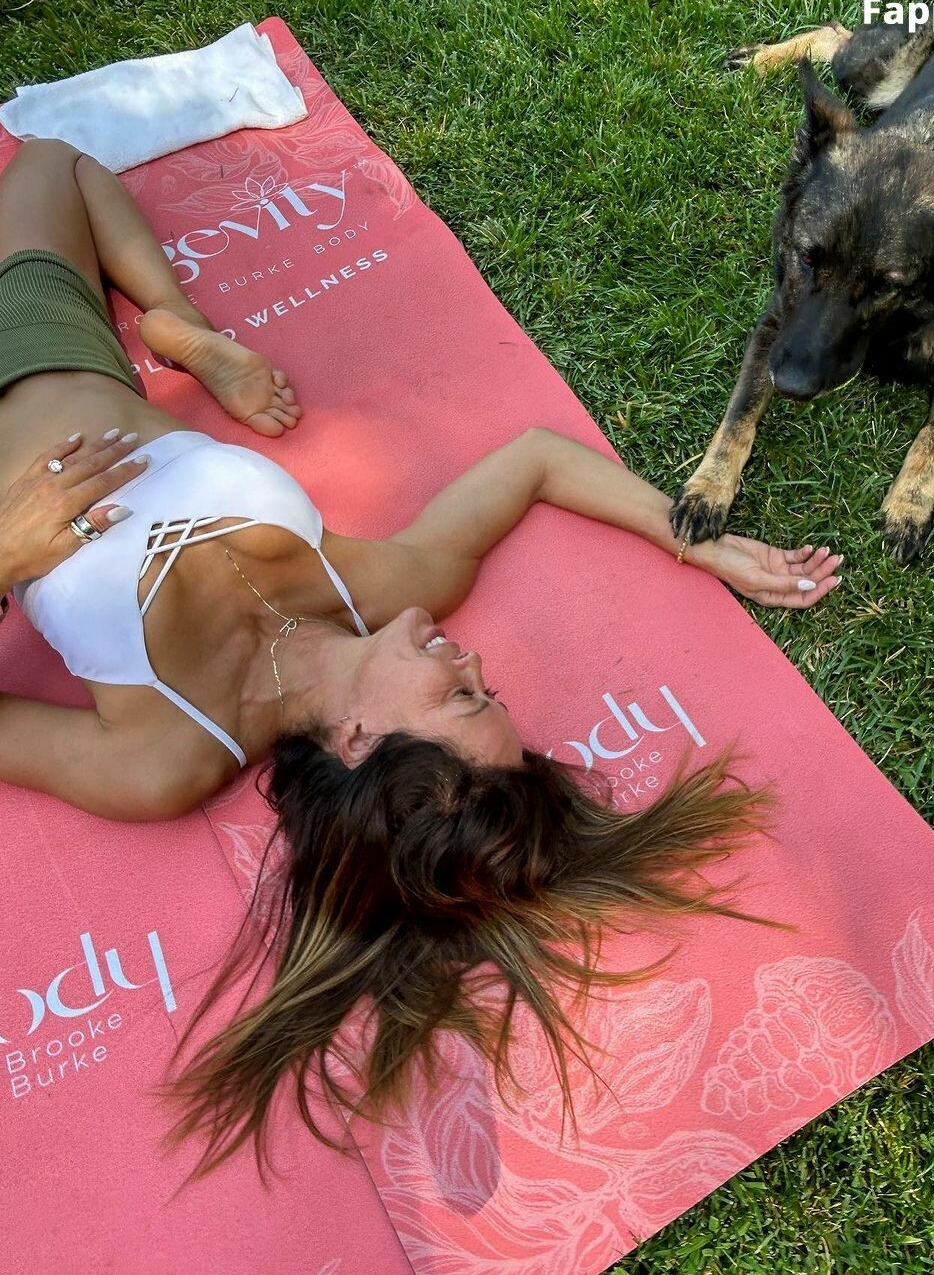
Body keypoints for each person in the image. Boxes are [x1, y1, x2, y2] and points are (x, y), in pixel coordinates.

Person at [0, 138, 842, 1179]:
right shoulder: (388, 588)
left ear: (360, 741)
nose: (472, 659)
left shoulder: (162, 757)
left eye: (461, 695)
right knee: (51, 166)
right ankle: (178, 326)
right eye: (486, 685)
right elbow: (536, 460)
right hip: (53, 349)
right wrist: (696, 538)